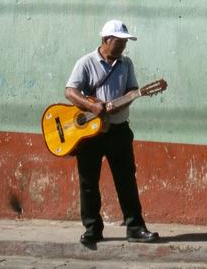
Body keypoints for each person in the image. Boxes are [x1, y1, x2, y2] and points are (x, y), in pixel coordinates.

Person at [65, 19, 160, 246]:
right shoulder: (86, 63)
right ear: (107, 40)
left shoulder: (126, 64)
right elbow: (70, 91)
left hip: (118, 131)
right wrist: (92, 106)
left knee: (126, 180)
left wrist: (124, 101)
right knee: (89, 183)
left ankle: (135, 228)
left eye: (125, 42)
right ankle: (92, 229)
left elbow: (130, 90)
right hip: (90, 135)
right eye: (120, 41)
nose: (124, 46)